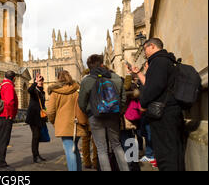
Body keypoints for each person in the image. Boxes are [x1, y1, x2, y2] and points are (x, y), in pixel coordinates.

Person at [128, 38, 185, 171]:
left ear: (152, 46)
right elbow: (153, 84)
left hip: (164, 116)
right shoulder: (167, 60)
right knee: (174, 152)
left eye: (145, 49)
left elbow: (153, 87)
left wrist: (143, 103)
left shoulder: (158, 61)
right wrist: (139, 74)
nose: (144, 53)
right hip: (171, 112)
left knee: (165, 154)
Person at [78, 54, 129, 171]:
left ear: (89, 67)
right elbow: (123, 99)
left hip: (95, 116)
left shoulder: (86, 81)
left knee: (101, 149)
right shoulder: (115, 78)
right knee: (117, 145)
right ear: (101, 64)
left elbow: (81, 102)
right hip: (113, 115)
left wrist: (89, 112)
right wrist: (118, 111)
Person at [47, 70, 88, 171]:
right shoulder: (77, 89)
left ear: (58, 78)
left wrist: (54, 121)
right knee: (75, 150)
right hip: (77, 123)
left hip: (64, 125)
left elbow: (50, 111)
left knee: (70, 150)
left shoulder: (55, 92)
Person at [0, 71, 19, 171]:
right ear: (14, 78)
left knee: (0, 140)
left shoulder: (1, 85)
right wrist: (10, 116)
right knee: (3, 140)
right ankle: (1, 164)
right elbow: (9, 102)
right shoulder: (8, 86)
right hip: (5, 117)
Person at [25, 74, 47, 163]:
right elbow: (29, 90)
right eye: (39, 81)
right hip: (33, 117)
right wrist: (35, 82)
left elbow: (43, 104)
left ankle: (37, 155)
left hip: (40, 116)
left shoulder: (43, 92)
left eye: (42, 81)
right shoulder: (34, 90)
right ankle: (35, 156)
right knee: (35, 136)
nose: (41, 82)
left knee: (38, 137)